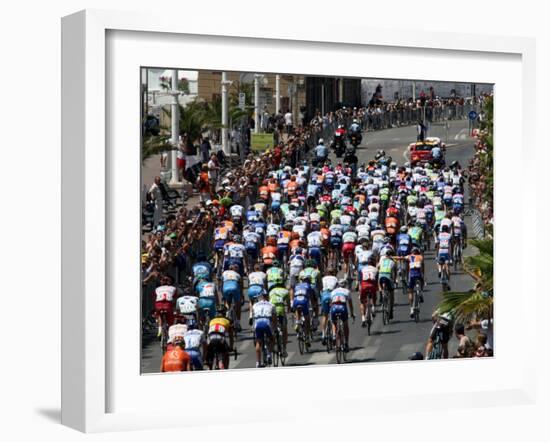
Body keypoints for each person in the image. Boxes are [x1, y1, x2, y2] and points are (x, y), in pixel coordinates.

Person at [329, 279, 355, 352]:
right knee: (345, 325)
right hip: (342, 307)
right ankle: (346, 343)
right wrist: (352, 313)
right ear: (345, 285)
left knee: (334, 322)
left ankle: (334, 335)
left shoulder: (333, 291)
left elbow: (330, 304)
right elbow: (350, 304)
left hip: (334, 307)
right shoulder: (347, 291)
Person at [252, 291, 276, 367]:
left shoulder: (255, 305)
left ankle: (258, 362)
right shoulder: (272, 305)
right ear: (267, 296)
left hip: (258, 323)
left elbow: (253, 317)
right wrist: (274, 328)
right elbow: (274, 319)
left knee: (258, 342)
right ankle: (269, 354)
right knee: (272, 339)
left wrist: (253, 328)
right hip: (266, 322)